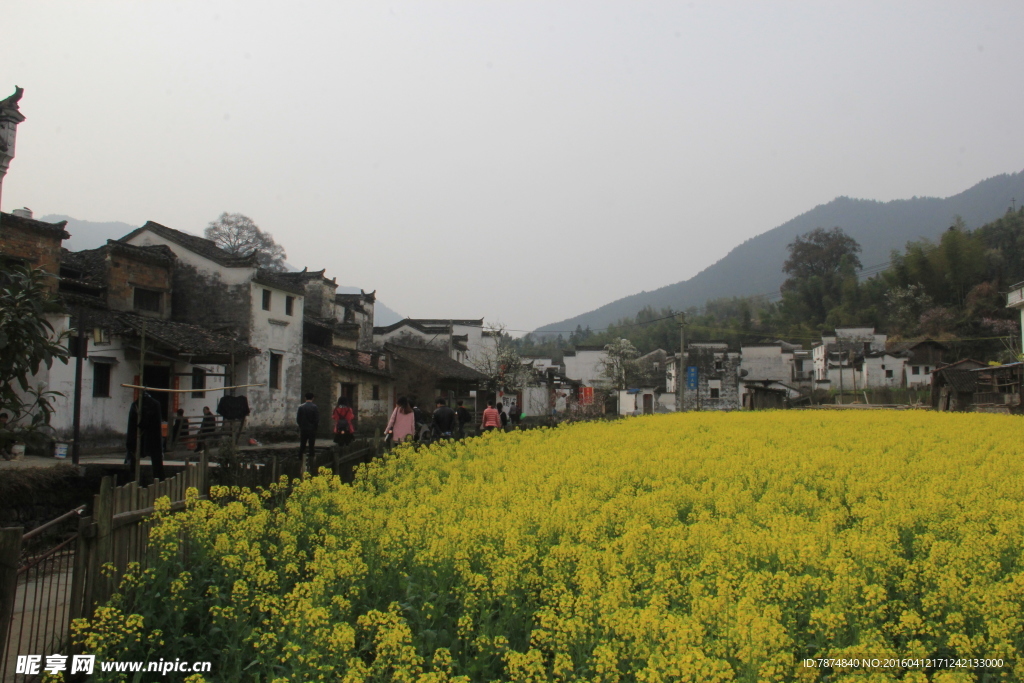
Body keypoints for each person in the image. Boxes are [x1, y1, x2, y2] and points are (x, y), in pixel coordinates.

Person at [126, 392, 165, 481]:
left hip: (149, 435)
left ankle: (137, 478)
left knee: (153, 455)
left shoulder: (151, 405)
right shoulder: (136, 405)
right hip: (144, 436)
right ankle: (135, 479)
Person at [296, 393, 319, 473]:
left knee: (302, 444)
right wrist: (315, 427)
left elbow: (298, 419)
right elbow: (316, 419)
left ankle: (300, 459)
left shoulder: (301, 407)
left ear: (305, 398)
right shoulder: (314, 407)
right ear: (313, 398)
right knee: (311, 445)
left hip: (303, 428)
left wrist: (301, 425)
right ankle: (311, 460)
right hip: (312, 429)